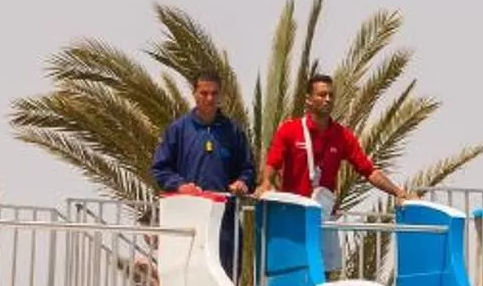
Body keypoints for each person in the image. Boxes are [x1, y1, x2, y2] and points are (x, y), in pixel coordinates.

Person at [149, 72, 256, 271]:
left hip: (224, 223)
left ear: (220, 95)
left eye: (214, 93)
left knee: (226, 276)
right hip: (187, 220)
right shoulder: (178, 129)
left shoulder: (233, 131)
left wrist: (242, 182)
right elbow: (160, 169)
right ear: (194, 93)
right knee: (188, 274)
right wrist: (180, 186)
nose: (209, 98)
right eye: (204, 93)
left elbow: (248, 169)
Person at [261, 71, 412, 206]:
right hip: (293, 212)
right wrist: (266, 183)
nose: (327, 99)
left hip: (324, 216)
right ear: (308, 99)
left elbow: (368, 170)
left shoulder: (343, 136)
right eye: (322, 95)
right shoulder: (290, 129)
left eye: (331, 95)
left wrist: (397, 192)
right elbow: (273, 162)